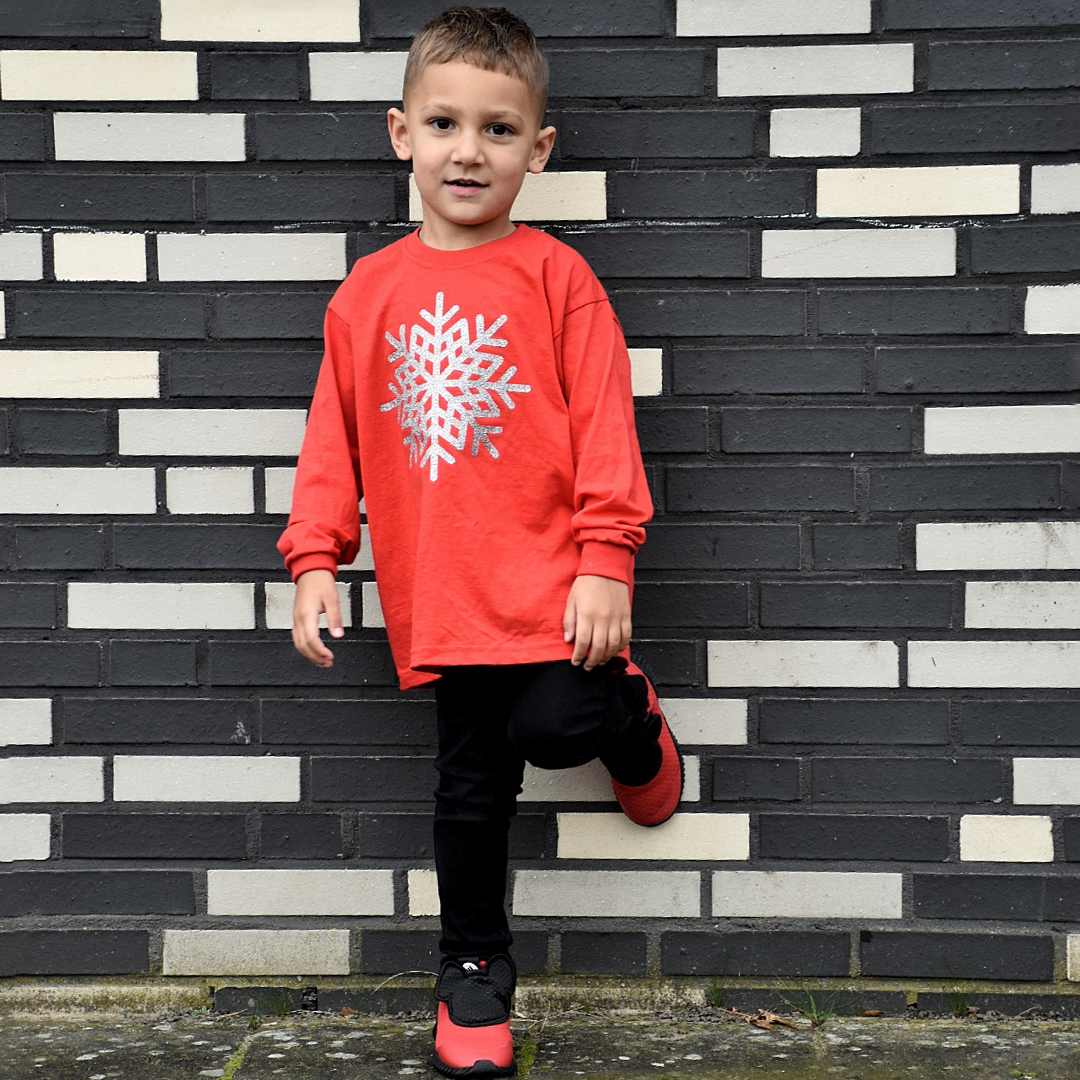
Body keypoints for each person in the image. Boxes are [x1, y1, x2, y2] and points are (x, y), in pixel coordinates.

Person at [277, 7, 683, 1075]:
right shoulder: (367, 295)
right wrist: (316, 557)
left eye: (499, 130)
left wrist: (608, 559)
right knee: (469, 791)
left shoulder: (557, 279)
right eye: (446, 123)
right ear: (401, 132)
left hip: (556, 595)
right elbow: (335, 442)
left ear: (537, 150)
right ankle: (472, 973)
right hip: (445, 600)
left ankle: (631, 721)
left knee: (554, 728)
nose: (470, 150)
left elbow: (606, 428)